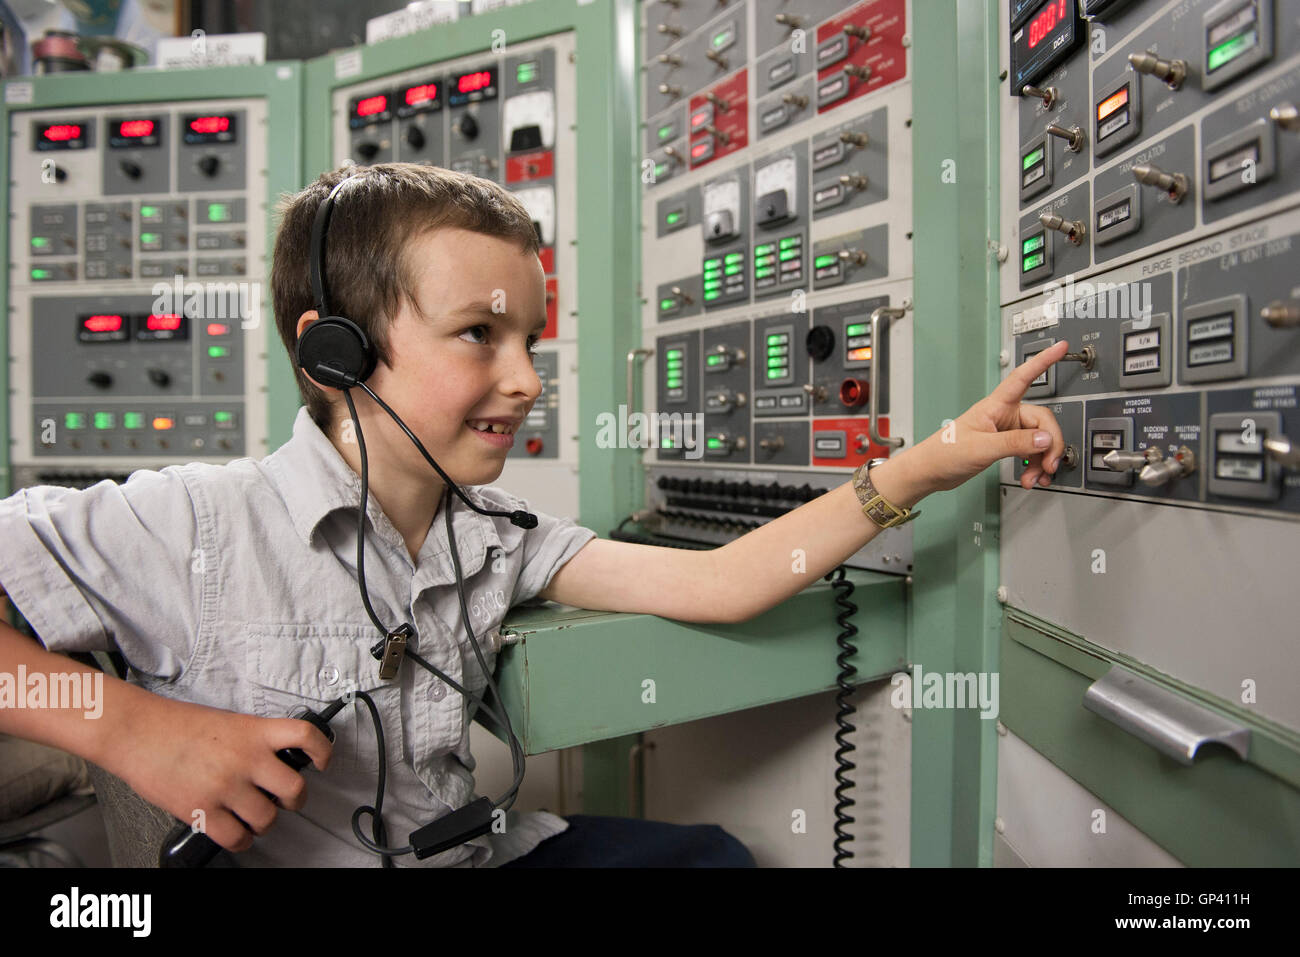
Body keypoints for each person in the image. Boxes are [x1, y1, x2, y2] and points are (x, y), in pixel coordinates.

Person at [0, 163, 1069, 867]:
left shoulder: (493, 532)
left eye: (531, 345)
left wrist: (926, 466)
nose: (524, 381)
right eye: (479, 335)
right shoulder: (186, 522)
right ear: (336, 352)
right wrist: (134, 730)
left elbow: (722, 582)